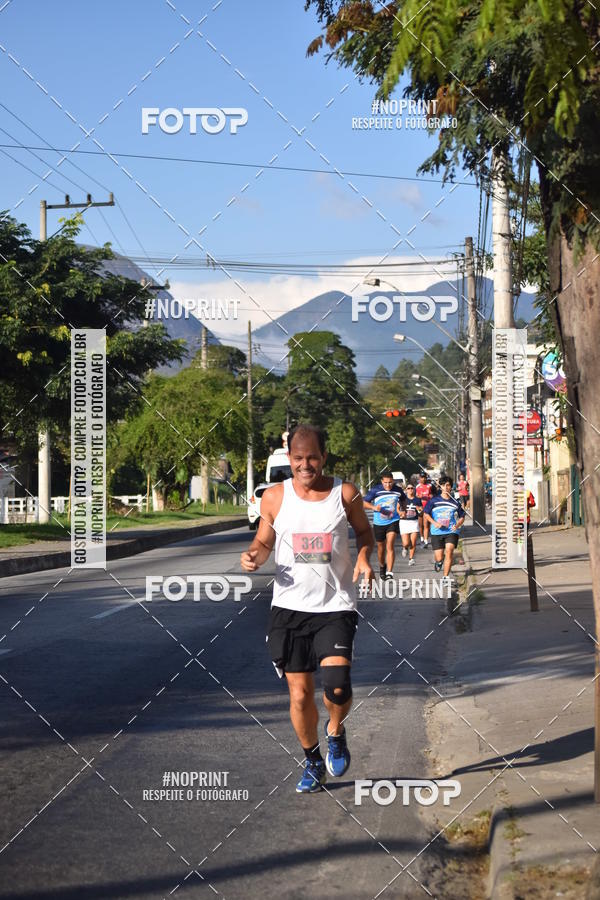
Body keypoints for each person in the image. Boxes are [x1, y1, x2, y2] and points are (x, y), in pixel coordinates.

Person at [240, 424, 374, 794]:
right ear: (290, 459)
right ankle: (312, 761)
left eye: (312, 457)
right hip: (289, 608)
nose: (304, 464)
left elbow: (365, 533)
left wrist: (364, 558)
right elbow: (263, 541)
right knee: (299, 694)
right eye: (298, 458)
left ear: (323, 457)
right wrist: (254, 555)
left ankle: (335, 730)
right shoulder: (274, 497)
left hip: (336, 606)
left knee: (336, 688)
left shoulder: (345, 493)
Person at [362, 472, 406, 579]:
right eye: (385, 482)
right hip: (379, 523)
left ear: (393, 481)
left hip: (393, 520)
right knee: (381, 548)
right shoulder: (375, 490)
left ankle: (390, 572)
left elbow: (403, 500)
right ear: (382, 481)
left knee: (390, 544)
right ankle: (382, 566)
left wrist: (402, 510)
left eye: (390, 482)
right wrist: (373, 508)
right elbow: (363, 503)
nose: (388, 485)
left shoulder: (398, 490)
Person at [423, 476, 465, 577]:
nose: (446, 487)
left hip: (451, 530)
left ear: (451, 487)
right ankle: (439, 562)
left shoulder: (455, 502)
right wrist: (434, 523)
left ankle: (445, 577)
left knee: (449, 551)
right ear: (440, 487)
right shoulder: (434, 501)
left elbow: (462, 516)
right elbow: (426, 514)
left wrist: (458, 524)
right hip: (437, 531)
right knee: (439, 556)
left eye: (448, 485)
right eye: (443, 485)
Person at [399, 483, 423, 566]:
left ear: (414, 489)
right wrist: (400, 513)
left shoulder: (417, 499)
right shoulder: (403, 499)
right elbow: (397, 508)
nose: (410, 490)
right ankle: (405, 548)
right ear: (406, 490)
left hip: (414, 522)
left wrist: (419, 509)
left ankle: (411, 559)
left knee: (413, 542)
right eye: (408, 488)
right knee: (406, 543)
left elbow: (421, 511)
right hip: (404, 522)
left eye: (412, 488)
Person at [415, 472, 433, 546]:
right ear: (419, 478)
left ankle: (425, 540)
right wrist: (418, 497)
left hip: (427, 507)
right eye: (422, 477)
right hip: (419, 507)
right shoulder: (417, 486)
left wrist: (430, 496)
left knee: (426, 524)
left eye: (424, 477)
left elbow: (432, 495)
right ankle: (422, 537)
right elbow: (415, 497)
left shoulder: (429, 486)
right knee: (420, 524)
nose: (423, 479)